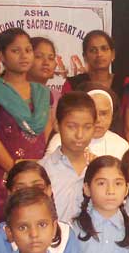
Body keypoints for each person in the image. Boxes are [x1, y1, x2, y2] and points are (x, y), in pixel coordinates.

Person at [0, 28, 52, 222]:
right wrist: (15, 171)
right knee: (10, 223)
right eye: (15, 51)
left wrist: (37, 172)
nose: (24, 55)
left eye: (28, 50)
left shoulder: (43, 93)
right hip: (6, 172)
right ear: (2, 56)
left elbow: (47, 136)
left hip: (38, 172)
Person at [0, 161, 82, 253]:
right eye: (20, 189)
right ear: (9, 194)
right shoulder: (3, 234)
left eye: (38, 187)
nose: (30, 193)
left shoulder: (65, 233)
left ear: (49, 190)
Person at [40, 92, 97, 223]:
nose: (79, 135)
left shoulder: (99, 170)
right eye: (71, 127)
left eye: (87, 127)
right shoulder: (42, 170)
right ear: (57, 125)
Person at [86, 88, 129, 159]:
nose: (97, 119)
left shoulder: (121, 146)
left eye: (103, 114)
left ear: (111, 115)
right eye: (93, 113)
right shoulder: (68, 143)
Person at [29, 36, 61, 116]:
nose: (46, 62)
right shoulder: (15, 94)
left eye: (51, 58)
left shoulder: (57, 97)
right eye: (38, 57)